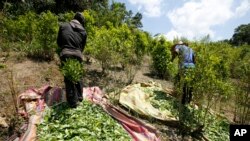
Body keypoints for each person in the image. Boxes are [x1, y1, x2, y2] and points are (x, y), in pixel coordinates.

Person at [57, 12, 87, 108]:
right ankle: (79, 96)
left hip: (66, 53)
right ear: (81, 22)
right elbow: (82, 47)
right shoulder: (83, 31)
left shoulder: (64, 26)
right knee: (78, 76)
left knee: (69, 78)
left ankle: (73, 103)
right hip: (78, 54)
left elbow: (59, 42)